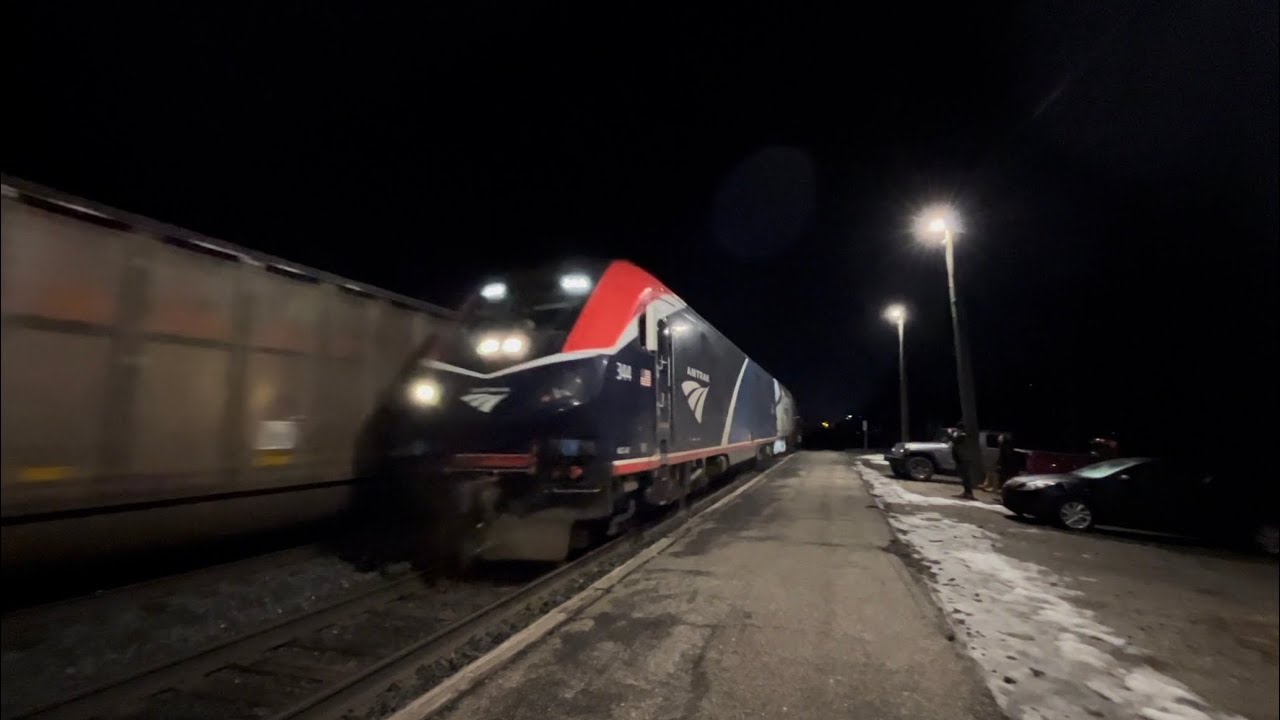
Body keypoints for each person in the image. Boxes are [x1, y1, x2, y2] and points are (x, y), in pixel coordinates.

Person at [950, 423, 975, 500]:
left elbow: (955, 441)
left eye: (957, 429)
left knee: (966, 477)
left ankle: (969, 493)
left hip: (964, 459)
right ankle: (966, 492)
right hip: (961, 459)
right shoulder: (962, 436)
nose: (956, 431)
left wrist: (950, 434)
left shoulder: (963, 436)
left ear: (960, 429)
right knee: (964, 477)